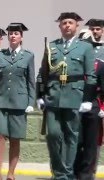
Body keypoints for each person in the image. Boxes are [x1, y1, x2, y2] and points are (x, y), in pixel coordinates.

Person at [36, 12, 97, 180]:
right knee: (53, 135)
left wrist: (87, 100)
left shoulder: (86, 47)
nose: (67, 25)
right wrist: (40, 95)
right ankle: (58, 170)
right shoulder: (52, 46)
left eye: (70, 23)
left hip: (74, 97)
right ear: (60, 26)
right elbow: (43, 73)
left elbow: (91, 76)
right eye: (64, 23)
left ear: (77, 26)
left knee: (72, 136)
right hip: (53, 97)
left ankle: (66, 173)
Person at [0, 23, 35, 180]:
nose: (13, 36)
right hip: (1, 100)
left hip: (19, 102)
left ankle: (11, 173)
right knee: (0, 136)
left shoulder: (28, 56)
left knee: (15, 138)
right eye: (10, 33)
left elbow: (31, 81)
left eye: (16, 33)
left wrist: (31, 102)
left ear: (21, 37)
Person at [73, 19, 104, 180]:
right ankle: (75, 170)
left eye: (98, 29)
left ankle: (87, 173)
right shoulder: (76, 55)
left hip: (94, 101)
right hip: (75, 100)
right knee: (76, 140)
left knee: (92, 142)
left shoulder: (101, 56)